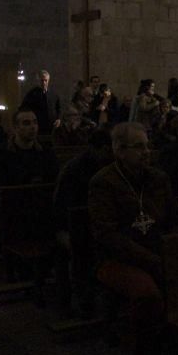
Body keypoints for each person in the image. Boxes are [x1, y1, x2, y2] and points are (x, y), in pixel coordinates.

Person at [88, 122, 173, 355]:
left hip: (157, 252)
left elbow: (172, 220)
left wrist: (175, 251)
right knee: (148, 294)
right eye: (138, 147)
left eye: (147, 146)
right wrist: (152, 260)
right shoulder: (103, 182)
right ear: (119, 150)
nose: (146, 152)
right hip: (118, 259)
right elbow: (108, 235)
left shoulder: (158, 178)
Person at [52, 128, 113, 316]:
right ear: (102, 148)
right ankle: (84, 298)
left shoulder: (110, 165)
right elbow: (68, 211)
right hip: (68, 226)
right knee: (81, 245)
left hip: (95, 224)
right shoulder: (76, 169)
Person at [0, 108, 59, 186]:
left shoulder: (47, 153)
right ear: (15, 127)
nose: (33, 127)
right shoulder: (1, 155)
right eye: (26, 123)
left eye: (35, 122)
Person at [21, 70, 62, 134]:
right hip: (38, 128)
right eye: (42, 80)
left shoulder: (53, 94)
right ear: (38, 81)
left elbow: (58, 108)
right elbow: (24, 108)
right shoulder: (31, 94)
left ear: (48, 81)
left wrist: (58, 119)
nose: (44, 83)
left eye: (45, 80)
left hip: (52, 128)